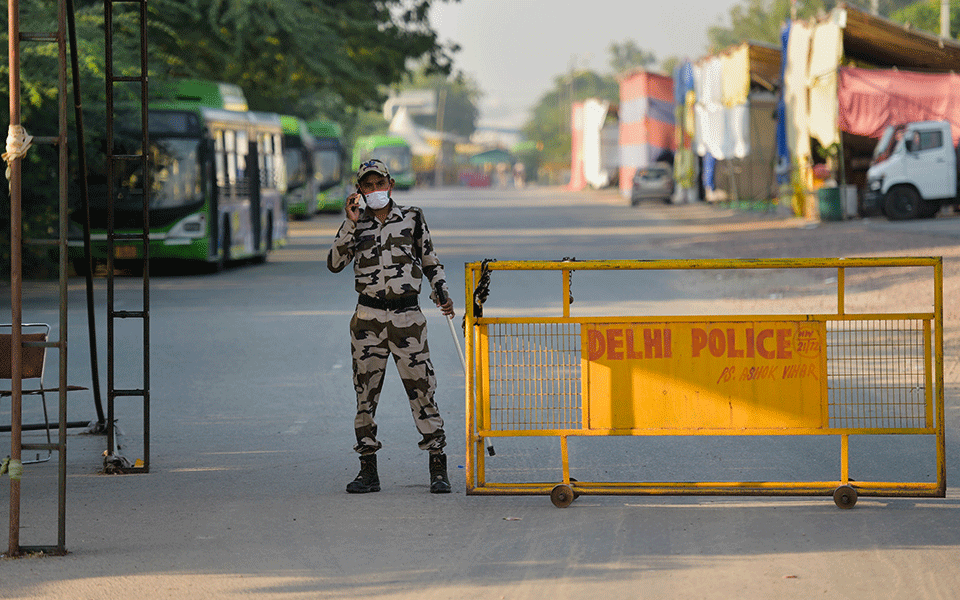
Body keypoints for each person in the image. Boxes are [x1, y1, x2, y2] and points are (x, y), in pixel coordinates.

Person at [327, 158, 455, 494]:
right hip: (368, 320)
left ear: (390, 184)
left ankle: (438, 467)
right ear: (359, 192)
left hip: (407, 318)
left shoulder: (412, 217)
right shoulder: (356, 224)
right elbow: (334, 263)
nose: (374, 190)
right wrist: (350, 223)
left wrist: (441, 289)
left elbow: (430, 260)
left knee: (423, 391)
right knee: (365, 396)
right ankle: (368, 470)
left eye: (379, 183)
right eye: (367, 186)